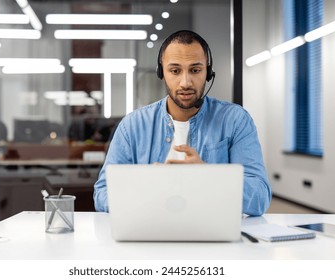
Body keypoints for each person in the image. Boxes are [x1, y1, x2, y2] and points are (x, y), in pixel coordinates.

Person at [94, 30, 271, 216]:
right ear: (161, 72)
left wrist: (207, 176)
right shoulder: (132, 125)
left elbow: (259, 198)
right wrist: (144, 186)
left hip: (211, 234)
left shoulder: (235, 120)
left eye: (195, 70)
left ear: (208, 73)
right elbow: (102, 194)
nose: (185, 82)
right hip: (151, 231)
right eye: (175, 71)